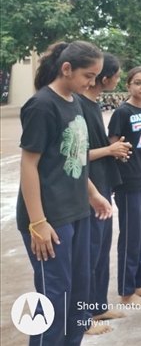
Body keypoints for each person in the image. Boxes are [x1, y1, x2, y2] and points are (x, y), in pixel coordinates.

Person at [17, 41, 111, 346]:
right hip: (50, 218)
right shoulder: (42, 105)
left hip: (77, 210)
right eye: (88, 75)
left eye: (95, 76)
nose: (92, 83)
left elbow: (75, 157)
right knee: (54, 297)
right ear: (67, 68)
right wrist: (37, 222)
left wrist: (92, 193)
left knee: (78, 293)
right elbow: (29, 165)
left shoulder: (76, 102)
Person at [79, 53, 131, 335]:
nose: (118, 80)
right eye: (118, 75)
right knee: (88, 254)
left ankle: (98, 305)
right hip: (89, 191)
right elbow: (75, 155)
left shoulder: (92, 103)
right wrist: (109, 150)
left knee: (100, 251)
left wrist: (114, 151)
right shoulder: (79, 105)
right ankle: (83, 316)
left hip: (102, 185)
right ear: (105, 77)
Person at [108, 66, 141, 305]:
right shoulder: (122, 112)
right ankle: (126, 291)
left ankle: (139, 283)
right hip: (130, 182)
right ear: (128, 85)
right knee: (131, 236)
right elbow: (114, 146)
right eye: (138, 82)